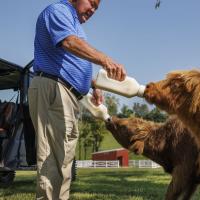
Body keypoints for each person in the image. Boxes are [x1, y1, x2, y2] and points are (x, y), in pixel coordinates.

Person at [28, 0, 126, 199]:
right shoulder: (58, 11)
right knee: (51, 159)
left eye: (96, 9)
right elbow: (70, 43)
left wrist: (93, 84)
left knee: (64, 158)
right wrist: (105, 60)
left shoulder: (73, 23)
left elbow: (69, 62)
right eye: (92, 3)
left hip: (67, 94)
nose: (93, 10)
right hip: (54, 89)